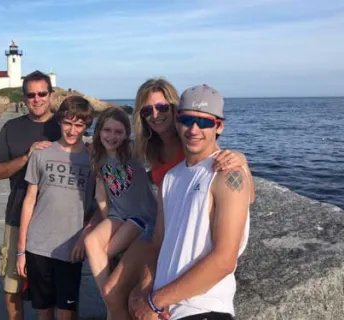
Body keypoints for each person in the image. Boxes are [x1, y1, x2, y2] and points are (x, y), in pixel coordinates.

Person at [102, 78, 255, 320]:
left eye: (204, 121)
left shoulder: (225, 173)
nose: (194, 129)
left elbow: (225, 259)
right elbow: (159, 243)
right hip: (168, 294)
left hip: (200, 307)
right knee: (113, 290)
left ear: (219, 126)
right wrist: (148, 290)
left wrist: (242, 162)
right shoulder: (164, 167)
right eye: (187, 120)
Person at [0, 70, 61, 320]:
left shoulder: (64, 126)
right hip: (18, 215)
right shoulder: (12, 128)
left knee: (54, 289)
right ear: (24, 97)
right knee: (12, 285)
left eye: (42, 93)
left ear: (51, 95)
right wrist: (26, 158)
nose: (37, 99)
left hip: (55, 221)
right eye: (31, 94)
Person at [16, 96, 95, 320]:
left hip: (71, 248)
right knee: (43, 310)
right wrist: (21, 251)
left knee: (67, 311)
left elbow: (101, 205)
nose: (72, 130)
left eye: (79, 125)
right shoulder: (41, 153)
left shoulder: (93, 159)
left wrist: (85, 237)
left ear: (86, 126)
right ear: (59, 121)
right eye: (68, 123)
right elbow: (29, 201)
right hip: (37, 246)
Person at [83, 107, 157, 314]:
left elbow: (159, 145)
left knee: (107, 251)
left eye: (118, 132)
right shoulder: (98, 156)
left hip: (142, 215)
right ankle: (111, 300)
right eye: (107, 130)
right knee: (91, 241)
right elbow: (100, 196)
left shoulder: (134, 150)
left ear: (126, 134)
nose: (112, 136)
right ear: (99, 132)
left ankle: (113, 296)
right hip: (118, 215)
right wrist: (108, 222)